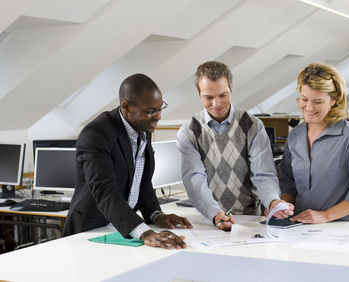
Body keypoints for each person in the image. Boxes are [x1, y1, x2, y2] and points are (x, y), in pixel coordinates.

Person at [63, 74, 192, 249]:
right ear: (126, 107)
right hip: (91, 231)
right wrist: (144, 232)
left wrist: (155, 214)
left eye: (160, 108)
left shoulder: (142, 126)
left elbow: (141, 180)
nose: (158, 116)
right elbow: (105, 191)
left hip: (122, 228)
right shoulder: (95, 134)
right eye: (151, 111)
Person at [177, 61, 293, 230]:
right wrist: (214, 213)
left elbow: (263, 174)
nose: (216, 104)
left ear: (231, 87)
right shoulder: (189, 132)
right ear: (198, 93)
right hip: (209, 220)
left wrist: (273, 201)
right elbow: (195, 180)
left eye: (222, 95)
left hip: (250, 219)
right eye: (208, 97)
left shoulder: (252, 125)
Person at [278, 62, 349, 223]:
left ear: (334, 100)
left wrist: (325, 216)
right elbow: (288, 184)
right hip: (297, 226)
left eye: (317, 102)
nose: (309, 107)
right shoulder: (295, 136)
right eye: (304, 99)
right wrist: (281, 205)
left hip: (339, 229)